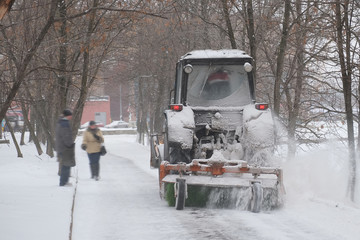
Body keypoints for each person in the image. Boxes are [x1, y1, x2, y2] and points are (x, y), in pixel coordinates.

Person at [55, 109, 76, 186]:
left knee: (66, 165)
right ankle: (63, 182)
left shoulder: (60, 122)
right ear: (68, 116)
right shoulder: (64, 124)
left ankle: (64, 182)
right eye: (70, 115)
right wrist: (70, 145)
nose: (71, 117)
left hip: (61, 147)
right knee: (66, 165)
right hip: (65, 148)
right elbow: (66, 136)